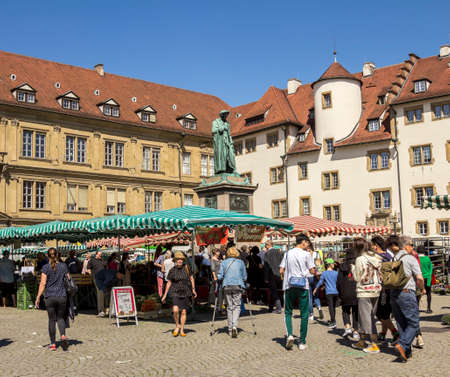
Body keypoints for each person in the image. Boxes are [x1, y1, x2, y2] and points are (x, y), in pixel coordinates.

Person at [389, 235, 425, 361]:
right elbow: (419, 278)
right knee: (414, 323)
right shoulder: (410, 258)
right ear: (406, 246)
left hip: (394, 294)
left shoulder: (394, 257)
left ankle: (406, 352)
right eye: (411, 245)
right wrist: (422, 288)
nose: (412, 247)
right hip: (406, 292)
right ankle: (402, 344)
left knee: (401, 323)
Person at [280, 234, 316, 350]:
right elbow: (312, 270)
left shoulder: (287, 253)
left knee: (288, 312)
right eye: (308, 243)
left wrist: (284, 277)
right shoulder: (306, 254)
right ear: (303, 242)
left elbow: (281, 269)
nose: (308, 245)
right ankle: (302, 341)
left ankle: (290, 334)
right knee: (304, 314)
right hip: (302, 286)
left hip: (289, 285)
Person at [351, 237, 382, 354]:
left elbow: (357, 277)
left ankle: (374, 345)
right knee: (369, 316)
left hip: (364, 290)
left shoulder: (360, 259)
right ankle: (362, 341)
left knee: (366, 319)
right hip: (376, 289)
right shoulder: (377, 258)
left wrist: (353, 269)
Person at [35, 248, 70, 351]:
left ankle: (53, 343)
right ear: (57, 255)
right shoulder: (63, 266)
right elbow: (68, 279)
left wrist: (38, 297)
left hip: (49, 296)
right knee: (60, 318)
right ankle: (63, 335)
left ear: (48, 255)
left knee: (51, 320)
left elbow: (43, 283)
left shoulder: (45, 267)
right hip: (62, 296)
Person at [161, 252, 197, 337]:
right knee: (175, 310)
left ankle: (182, 329)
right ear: (175, 261)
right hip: (175, 291)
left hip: (185, 291)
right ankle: (177, 326)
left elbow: (191, 278)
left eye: (181, 259)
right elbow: (169, 282)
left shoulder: (187, 268)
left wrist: (193, 289)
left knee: (184, 311)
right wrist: (165, 294)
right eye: (178, 259)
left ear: (183, 260)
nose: (180, 261)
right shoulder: (172, 270)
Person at [372, 236, 399, 343]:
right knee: (385, 313)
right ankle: (383, 333)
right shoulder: (389, 255)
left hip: (382, 288)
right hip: (390, 287)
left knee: (380, 314)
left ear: (376, 245)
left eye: (372, 245)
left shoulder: (377, 257)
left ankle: (395, 332)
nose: (371, 247)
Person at [217, 247, 247, 338]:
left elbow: (219, 276)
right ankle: (234, 326)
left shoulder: (223, 262)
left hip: (227, 285)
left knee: (229, 307)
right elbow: (245, 276)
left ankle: (230, 328)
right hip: (238, 285)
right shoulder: (241, 262)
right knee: (237, 306)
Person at [337, 249, 359, 340]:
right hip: (356, 291)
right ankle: (356, 331)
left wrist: (340, 291)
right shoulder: (357, 265)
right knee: (356, 311)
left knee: (345, 310)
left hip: (345, 291)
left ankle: (347, 327)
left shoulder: (342, 266)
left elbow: (339, 281)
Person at [314, 258, 338, 328]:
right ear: (329, 265)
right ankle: (333, 320)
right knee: (333, 307)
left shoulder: (324, 273)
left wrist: (316, 288)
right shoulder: (336, 273)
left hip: (328, 292)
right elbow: (338, 282)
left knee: (331, 307)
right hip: (336, 292)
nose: (334, 265)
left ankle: (333, 322)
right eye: (333, 263)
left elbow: (320, 282)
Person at [264, 241, 284, 313]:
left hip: (271, 274)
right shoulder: (279, 252)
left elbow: (266, 266)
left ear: (268, 245)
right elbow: (283, 262)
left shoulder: (267, 253)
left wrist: (266, 278)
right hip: (279, 274)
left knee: (273, 291)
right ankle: (271, 307)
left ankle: (278, 308)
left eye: (265, 245)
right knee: (273, 291)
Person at [87, 251, 106, 316]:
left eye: (101, 255)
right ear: (96, 254)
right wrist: (91, 275)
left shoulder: (102, 261)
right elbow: (88, 268)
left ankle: (103, 309)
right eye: (99, 255)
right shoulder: (92, 260)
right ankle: (100, 310)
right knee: (100, 292)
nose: (100, 256)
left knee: (102, 293)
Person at [417, 246, 433, 313]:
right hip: (427, 278)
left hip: (419, 278)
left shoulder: (416, 259)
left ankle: (416, 308)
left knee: (418, 294)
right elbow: (430, 269)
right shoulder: (427, 259)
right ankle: (428, 308)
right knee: (428, 293)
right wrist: (429, 280)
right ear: (424, 251)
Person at [209, 248, 224, 314]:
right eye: (218, 252)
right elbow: (213, 269)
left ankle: (220, 307)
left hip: (221, 277)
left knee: (220, 293)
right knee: (218, 292)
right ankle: (219, 308)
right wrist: (215, 277)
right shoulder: (213, 260)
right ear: (215, 253)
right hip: (217, 278)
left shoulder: (219, 259)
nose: (219, 253)